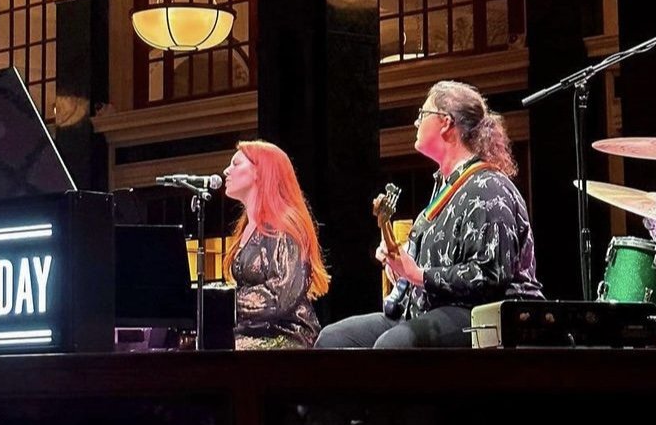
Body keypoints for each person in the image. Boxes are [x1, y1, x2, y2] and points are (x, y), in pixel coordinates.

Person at [315, 80, 541, 349]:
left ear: (446, 122)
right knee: (334, 339)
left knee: (394, 345)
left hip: (482, 314)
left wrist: (420, 275)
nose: (416, 122)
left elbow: (491, 274)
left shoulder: (488, 186)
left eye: (422, 114)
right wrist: (399, 267)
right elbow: (423, 270)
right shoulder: (444, 189)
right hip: (427, 309)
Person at [223, 140, 330, 350]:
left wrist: (222, 304)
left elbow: (280, 295)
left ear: (260, 171)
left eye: (236, 164)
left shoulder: (286, 227)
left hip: (286, 335)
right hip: (250, 332)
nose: (227, 171)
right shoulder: (247, 228)